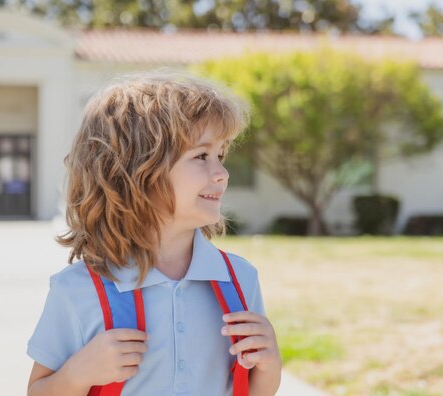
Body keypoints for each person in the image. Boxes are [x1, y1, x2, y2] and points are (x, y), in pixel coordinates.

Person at [26, 70, 282, 396]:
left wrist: (270, 367)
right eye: (201, 156)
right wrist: (78, 374)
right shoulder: (76, 290)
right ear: (137, 170)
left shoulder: (240, 280)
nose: (221, 173)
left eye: (221, 155)